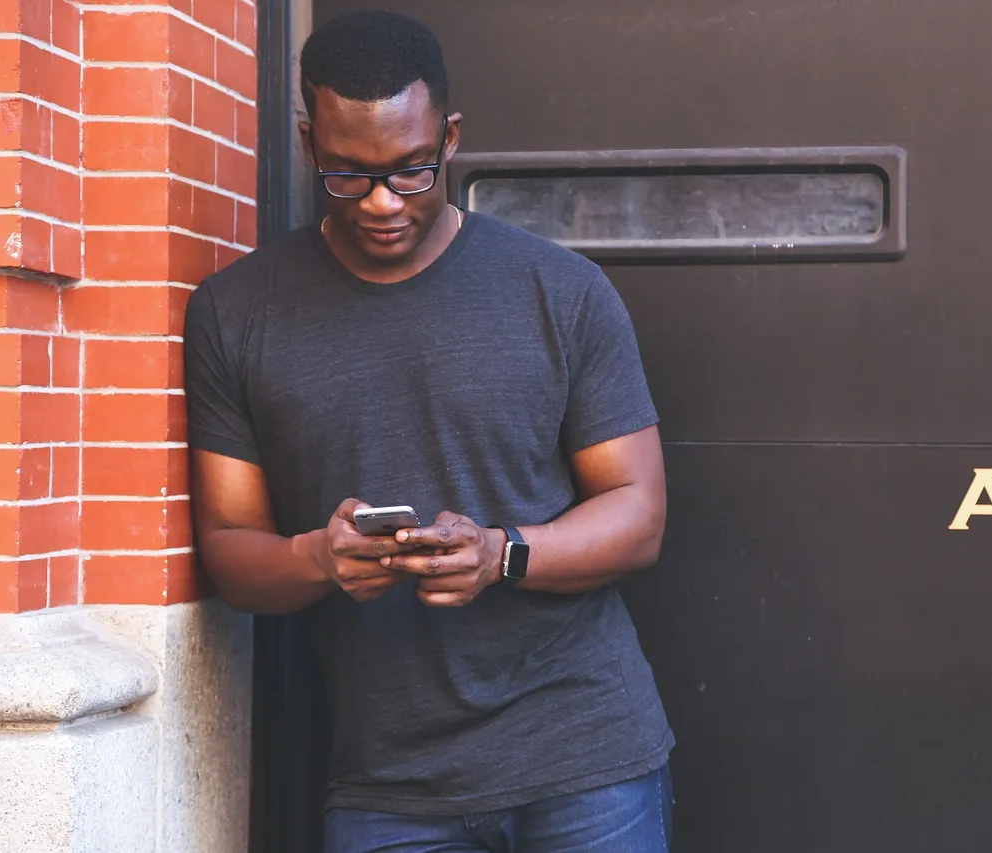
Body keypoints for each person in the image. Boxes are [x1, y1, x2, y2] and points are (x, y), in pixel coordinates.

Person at [183, 8, 675, 853]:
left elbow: (638, 513)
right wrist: (316, 557)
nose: (380, 201)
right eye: (347, 174)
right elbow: (229, 546)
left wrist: (502, 553)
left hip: (584, 758)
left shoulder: (560, 291)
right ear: (307, 144)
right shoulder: (236, 313)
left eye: (409, 172)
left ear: (449, 138)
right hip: (388, 788)